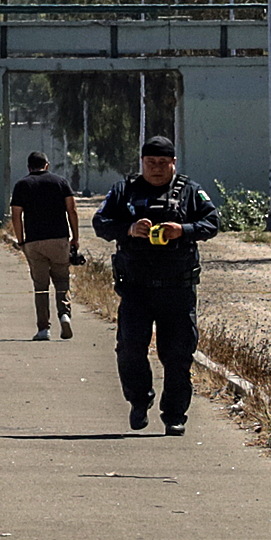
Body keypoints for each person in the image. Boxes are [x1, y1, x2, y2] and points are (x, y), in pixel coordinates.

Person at [92, 136, 219, 435]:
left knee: (177, 355)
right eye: (151, 163)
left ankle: (174, 415)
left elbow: (212, 223)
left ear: (174, 163)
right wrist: (129, 229)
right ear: (142, 163)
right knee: (130, 349)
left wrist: (183, 231)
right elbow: (101, 222)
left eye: (163, 163)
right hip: (136, 288)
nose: (157, 169)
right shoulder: (124, 191)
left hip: (177, 290)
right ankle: (139, 400)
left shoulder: (190, 191)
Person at [7, 152, 80, 341]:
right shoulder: (61, 182)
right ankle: (64, 315)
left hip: (34, 241)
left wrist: (21, 240)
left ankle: (43, 329)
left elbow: (16, 215)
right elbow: (72, 210)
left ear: (29, 167)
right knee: (62, 280)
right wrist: (75, 237)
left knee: (41, 286)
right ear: (47, 165)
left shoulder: (22, 185)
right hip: (59, 239)